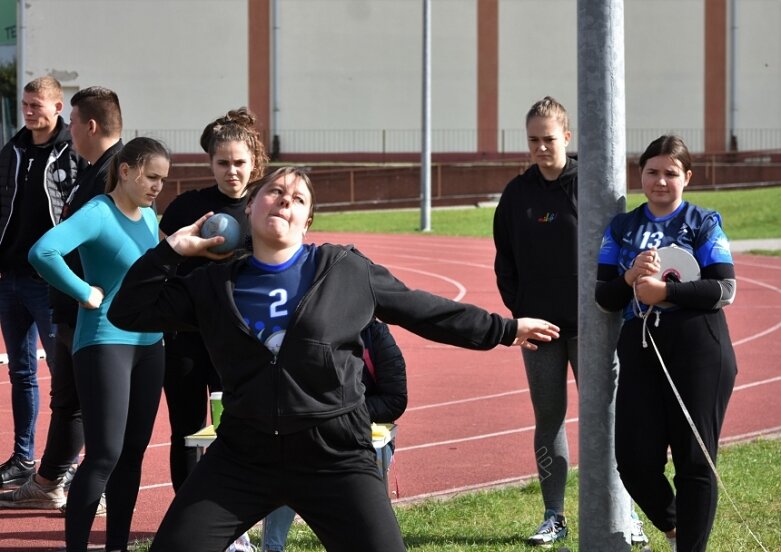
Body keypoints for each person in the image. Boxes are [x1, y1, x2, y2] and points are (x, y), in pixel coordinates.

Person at [107, 166, 560, 552]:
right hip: (244, 455)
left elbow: (424, 310)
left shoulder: (344, 270)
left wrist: (504, 329)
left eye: (297, 198)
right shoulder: (213, 285)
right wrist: (172, 251)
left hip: (335, 455)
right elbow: (128, 310)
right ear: (250, 207)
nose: (284, 202)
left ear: (307, 220)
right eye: (274, 192)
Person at [493, 96, 647, 547]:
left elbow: (618, 251)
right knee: (549, 418)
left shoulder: (592, 187)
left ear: (567, 136)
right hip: (540, 328)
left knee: (608, 417)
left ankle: (626, 509)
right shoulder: (517, 193)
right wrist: (520, 311)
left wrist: (611, 303)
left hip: (594, 324)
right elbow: (505, 262)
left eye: (549, 138)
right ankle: (554, 515)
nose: (541, 148)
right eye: (533, 140)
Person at [595, 135, 737, 552]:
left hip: (699, 348)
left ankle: (690, 548)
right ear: (640, 175)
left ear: (686, 177)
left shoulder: (704, 222)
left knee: (694, 461)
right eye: (652, 172)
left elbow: (724, 288)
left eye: (670, 173)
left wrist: (666, 294)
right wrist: (629, 277)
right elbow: (604, 297)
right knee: (635, 462)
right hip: (639, 347)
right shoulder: (622, 227)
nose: (660, 181)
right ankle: (677, 530)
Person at [28, 137, 170, 552]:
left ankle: (117, 547)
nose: (157, 186)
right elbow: (43, 251)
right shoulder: (97, 212)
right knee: (105, 454)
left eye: (163, 179)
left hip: (151, 344)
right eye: (151, 176)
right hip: (105, 341)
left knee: (131, 455)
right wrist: (83, 291)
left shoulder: (148, 214)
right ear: (125, 171)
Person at [0, 85, 123, 511]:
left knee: (86, 395)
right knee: (62, 392)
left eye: (70, 119)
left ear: (87, 124)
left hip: (88, 304)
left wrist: (83, 291)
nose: (67, 128)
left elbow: (52, 248)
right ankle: (45, 475)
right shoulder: (18, 151)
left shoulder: (112, 170)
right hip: (52, 294)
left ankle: (91, 482)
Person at [159, 107, 266, 492]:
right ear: (211, 163)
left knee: (236, 426)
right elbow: (160, 267)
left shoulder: (265, 208)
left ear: (253, 163)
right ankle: (185, 514)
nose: (232, 171)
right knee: (185, 431)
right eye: (223, 163)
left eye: (239, 163)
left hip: (238, 339)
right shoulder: (186, 208)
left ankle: (232, 512)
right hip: (186, 338)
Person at [0, 75, 85, 488]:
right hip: (9, 278)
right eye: (25, 104)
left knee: (64, 376)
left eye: (37, 105)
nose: (29, 111)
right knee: (20, 373)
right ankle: (23, 457)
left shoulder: (73, 153)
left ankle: (63, 465)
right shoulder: (12, 149)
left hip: (51, 281)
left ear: (57, 107)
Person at [260, 318, 407, 552]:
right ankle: (272, 547)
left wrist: (345, 415)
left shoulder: (375, 335)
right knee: (286, 459)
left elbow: (396, 399)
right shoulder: (305, 332)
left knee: (371, 462)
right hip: (311, 435)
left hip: (363, 439)